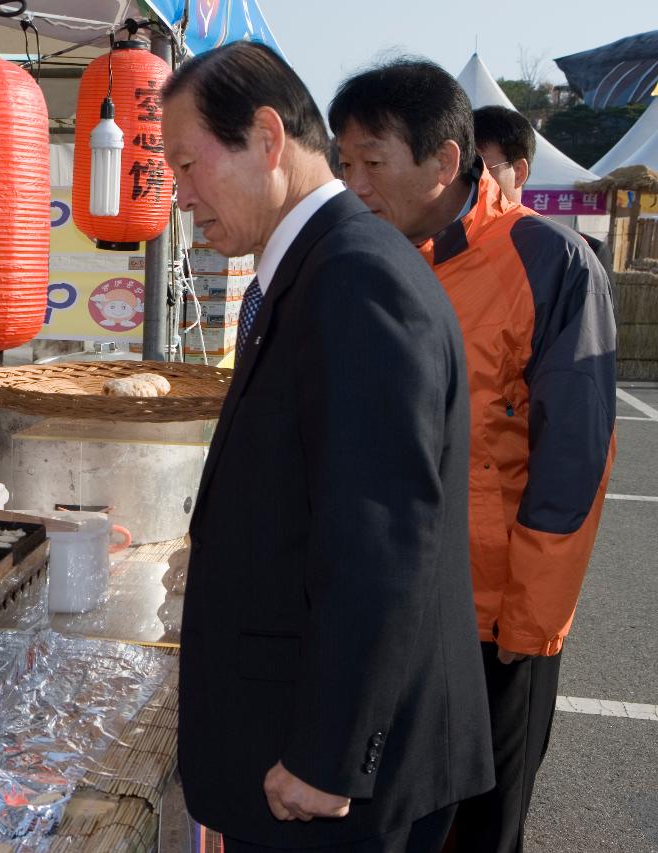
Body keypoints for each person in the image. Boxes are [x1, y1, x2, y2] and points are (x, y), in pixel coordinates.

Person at [163, 42, 493, 853]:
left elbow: (382, 539)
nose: (179, 197)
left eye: (188, 166)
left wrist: (329, 755)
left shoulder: (354, 277)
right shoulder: (315, 266)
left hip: (335, 787)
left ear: (267, 139)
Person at [331, 61, 617, 853]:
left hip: (496, 621)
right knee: (385, 820)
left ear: (445, 162)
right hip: (387, 612)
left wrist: (529, 624)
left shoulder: (548, 263)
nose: (353, 184)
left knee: (481, 828)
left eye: (372, 163)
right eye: (343, 163)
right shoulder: (363, 257)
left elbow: (574, 463)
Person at [472, 105, 614, 272]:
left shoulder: (578, 255)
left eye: (478, 167)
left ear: (518, 172)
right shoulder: (443, 249)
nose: (469, 179)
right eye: (462, 170)